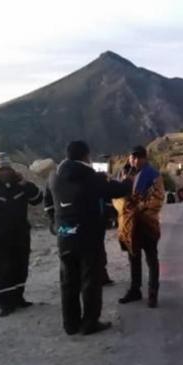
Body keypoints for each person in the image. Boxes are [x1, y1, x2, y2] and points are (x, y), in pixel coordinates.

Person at [45, 141, 132, 335]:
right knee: (90, 280)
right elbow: (118, 190)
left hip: (65, 235)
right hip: (88, 236)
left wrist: (54, 221)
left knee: (68, 281)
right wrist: (128, 180)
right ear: (86, 156)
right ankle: (90, 323)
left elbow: (48, 201)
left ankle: (70, 324)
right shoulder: (90, 177)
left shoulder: (53, 177)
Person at [0, 153, 44, 317]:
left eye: (7, 169)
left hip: (20, 236)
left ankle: (19, 298)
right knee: (2, 271)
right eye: (1, 169)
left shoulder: (20, 186)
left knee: (20, 268)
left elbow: (37, 198)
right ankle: (5, 304)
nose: (5, 172)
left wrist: (26, 184)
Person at [115, 146, 165, 308]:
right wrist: (125, 207)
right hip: (130, 225)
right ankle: (135, 290)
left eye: (138, 157)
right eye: (132, 157)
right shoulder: (123, 174)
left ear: (144, 158)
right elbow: (116, 197)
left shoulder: (153, 175)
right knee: (133, 258)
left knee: (151, 259)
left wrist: (140, 207)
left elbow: (158, 199)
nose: (134, 160)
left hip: (147, 224)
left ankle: (153, 293)